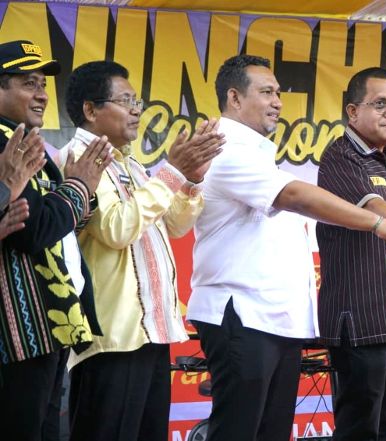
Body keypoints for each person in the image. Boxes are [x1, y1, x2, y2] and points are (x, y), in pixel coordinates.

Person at [187, 55, 386, 441]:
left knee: (271, 433)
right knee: (239, 431)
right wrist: (380, 224)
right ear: (234, 98)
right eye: (266, 92)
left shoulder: (259, 154)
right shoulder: (224, 148)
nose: (277, 102)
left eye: (278, 93)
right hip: (241, 312)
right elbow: (294, 195)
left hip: (273, 319)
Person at [62, 60, 224, 441]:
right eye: (126, 101)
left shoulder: (129, 162)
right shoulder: (79, 158)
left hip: (149, 331)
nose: (136, 110)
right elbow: (117, 228)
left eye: (137, 100)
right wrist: (172, 171)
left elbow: (175, 225)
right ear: (90, 110)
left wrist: (190, 180)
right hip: (112, 338)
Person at [0, 39, 112, 441]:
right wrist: (79, 187)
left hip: (46, 323)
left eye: (44, 85)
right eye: (29, 83)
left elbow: (63, 226)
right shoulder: (5, 142)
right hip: (19, 330)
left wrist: (77, 194)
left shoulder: (24, 139)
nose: (42, 95)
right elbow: (36, 232)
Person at [317, 67, 386, 441]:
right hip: (362, 319)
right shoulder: (341, 155)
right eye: (380, 104)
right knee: (360, 429)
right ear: (352, 111)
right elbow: (376, 207)